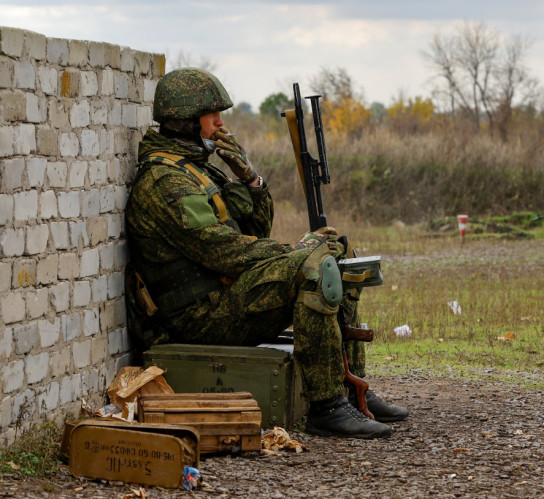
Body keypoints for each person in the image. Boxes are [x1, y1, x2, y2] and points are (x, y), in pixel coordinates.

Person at [124, 67, 408, 439]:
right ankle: (327, 407)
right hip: (198, 318)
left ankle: (352, 390)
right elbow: (222, 252)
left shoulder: (197, 171)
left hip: (223, 298)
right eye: (213, 117)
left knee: (337, 254)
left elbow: (256, 230)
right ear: (186, 123)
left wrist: (250, 179)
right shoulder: (166, 181)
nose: (220, 125)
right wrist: (298, 249)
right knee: (313, 268)